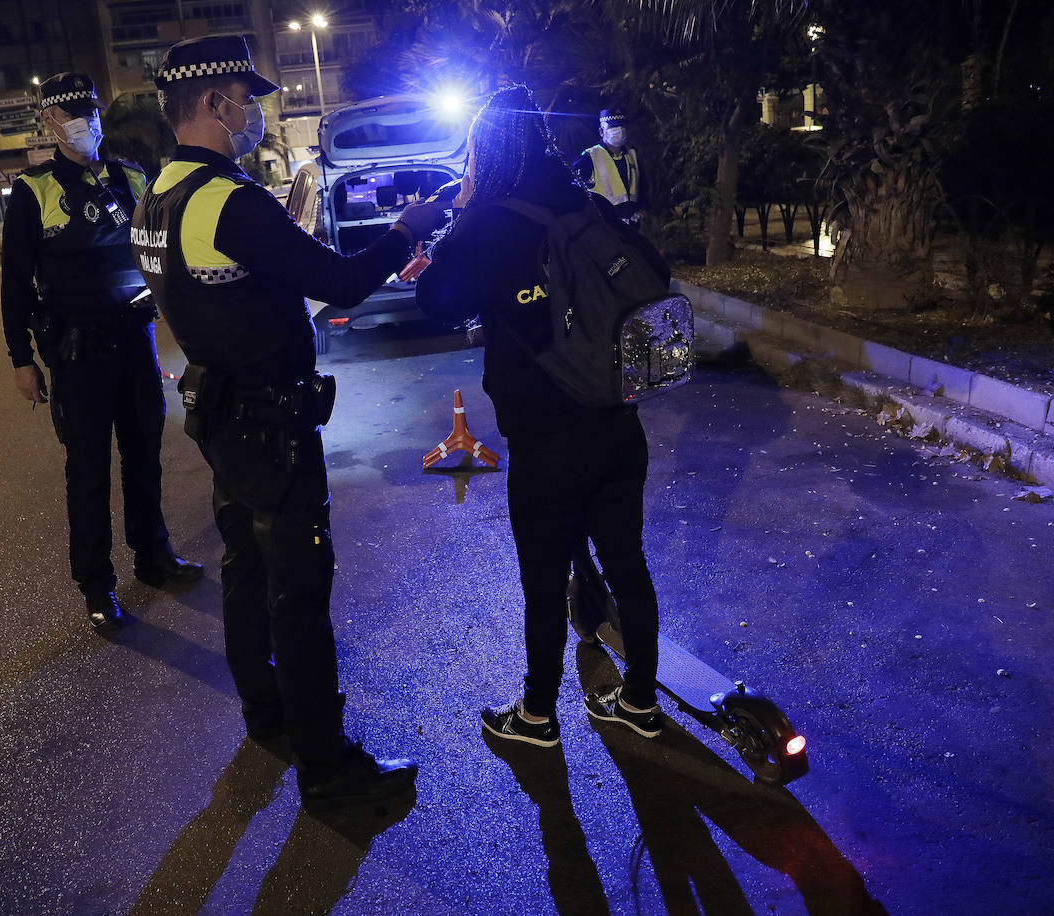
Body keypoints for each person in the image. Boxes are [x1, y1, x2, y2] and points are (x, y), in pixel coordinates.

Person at [129, 35, 447, 811]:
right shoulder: (227, 201)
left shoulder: (156, 197)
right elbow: (338, 280)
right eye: (250, 97)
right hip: (268, 425)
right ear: (212, 102)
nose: (257, 113)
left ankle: (266, 714)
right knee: (297, 594)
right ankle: (329, 771)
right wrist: (407, 230)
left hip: (219, 414)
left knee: (246, 568)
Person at [415, 85, 669, 747]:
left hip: (547, 437)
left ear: (485, 151)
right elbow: (655, 272)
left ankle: (536, 716)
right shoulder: (583, 204)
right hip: (618, 420)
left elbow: (436, 299)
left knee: (542, 578)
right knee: (628, 562)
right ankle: (639, 702)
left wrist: (457, 217)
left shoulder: (487, 220)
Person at [1, 71, 203, 630]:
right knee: (87, 472)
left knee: (144, 458)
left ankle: (154, 557)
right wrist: (22, 359)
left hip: (134, 342)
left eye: (89, 111)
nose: (83, 122)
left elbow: (159, 247)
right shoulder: (33, 190)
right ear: (48, 121)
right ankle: (97, 584)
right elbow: (15, 282)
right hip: (77, 351)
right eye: (69, 113)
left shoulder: (131, 178)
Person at [572, 107, 644, 228]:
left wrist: (642, 208)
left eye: (621, 126)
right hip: (605, 230)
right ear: (601, 131)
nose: (619, 130)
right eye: (612, 127)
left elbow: (641, 185)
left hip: (632, 228)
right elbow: (575, 192)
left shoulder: (632, 153)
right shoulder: (590, 156)